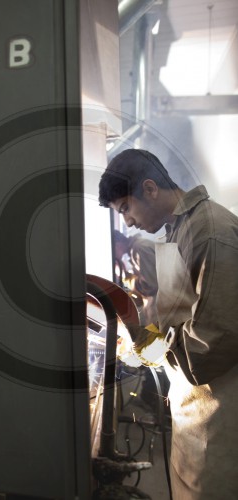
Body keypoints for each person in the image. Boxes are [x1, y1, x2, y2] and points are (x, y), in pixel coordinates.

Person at [98, 148, 238, 500]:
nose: (127, 222)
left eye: (125, 208)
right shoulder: (180, 228)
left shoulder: (209, 232)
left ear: (150, 188)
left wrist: (150, 346)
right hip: (194, 405)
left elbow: (214, 341)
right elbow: (182, 309)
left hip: (220, 410)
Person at [113, 229, 158, 325]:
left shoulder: (138, 249)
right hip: (157, 313)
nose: (114, 257)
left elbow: (151, 286)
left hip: (161, 314)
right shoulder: (136, 248)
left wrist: (126, 278)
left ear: (117, 245)